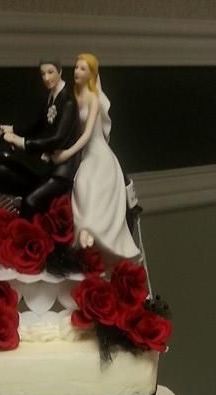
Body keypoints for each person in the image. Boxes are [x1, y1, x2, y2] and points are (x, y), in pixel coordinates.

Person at [51, 53, 140, 260]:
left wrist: (65, 154)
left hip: (98, 155)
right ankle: (83, 233)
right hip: (83, 156)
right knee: (81, 189)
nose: (77, 72)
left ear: (92, 73)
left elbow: (86, 135)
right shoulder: (74, 96)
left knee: (89, 190)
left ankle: (88, 231)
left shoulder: (93, 99)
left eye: (83, 68)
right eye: (76, 67)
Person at [1, 59, 81, 218]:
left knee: (30, 201)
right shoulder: (52, 96)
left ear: (60, 71)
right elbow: (38, 125)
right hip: (54, 165)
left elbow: (58, 139)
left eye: (50, 72)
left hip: (65, 169)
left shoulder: (68, 101)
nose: (46, 77)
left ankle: (27, 240)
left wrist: (21, 142)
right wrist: (11, 128)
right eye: (43, 74)